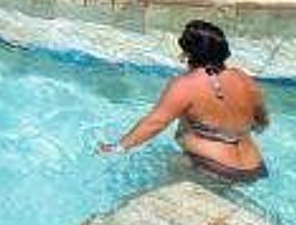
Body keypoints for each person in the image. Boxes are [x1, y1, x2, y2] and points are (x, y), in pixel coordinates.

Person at [99, 20, 269, 181]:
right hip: (255, 167)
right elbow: (261, 121)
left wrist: (119, 147)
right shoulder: (243, 78)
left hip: (214, 168)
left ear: (187, 54)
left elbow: (155, 123)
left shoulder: (185, 85)